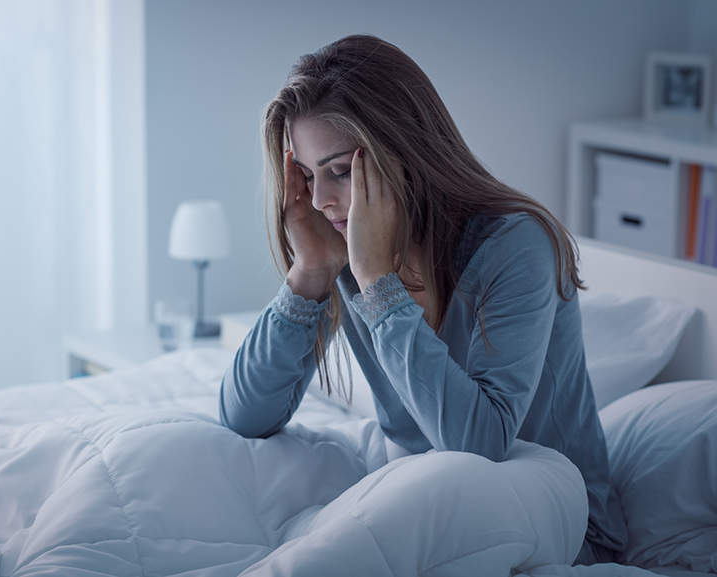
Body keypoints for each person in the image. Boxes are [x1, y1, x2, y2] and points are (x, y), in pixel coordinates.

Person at [219, 34, 627, 565]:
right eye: (308, 177)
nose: (320, 200)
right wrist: (311, 270)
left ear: (405, 153)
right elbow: (244, 417)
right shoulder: (341, 248)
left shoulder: (515, 246)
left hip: (561, 524)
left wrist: (377, 282)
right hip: (425, 505)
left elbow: (479, 447)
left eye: (341, 172)